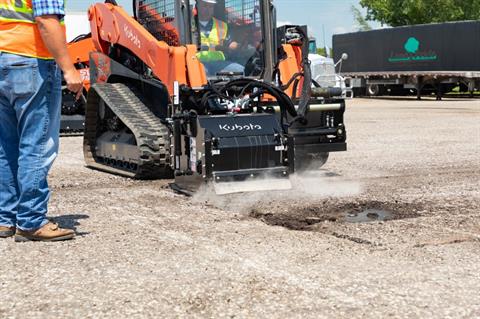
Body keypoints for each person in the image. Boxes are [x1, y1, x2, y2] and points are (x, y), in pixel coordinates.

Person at [0, 0, 83, 241]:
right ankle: (31, 220)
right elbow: (46, 20)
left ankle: (5, 218)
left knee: (6, 146)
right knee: (36, 144)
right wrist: (69, 69)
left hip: (3, 60)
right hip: (31, 62)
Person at [196, 0, 244, 76]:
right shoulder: (189, 25)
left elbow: (231, 43)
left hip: (219, 63)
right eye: (205, 6)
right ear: (197, 6)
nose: (208, 9)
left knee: (241, 70)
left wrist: (237, 46)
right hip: (197, 62)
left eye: (211, 6)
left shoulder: (222, 25)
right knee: (201, 73)